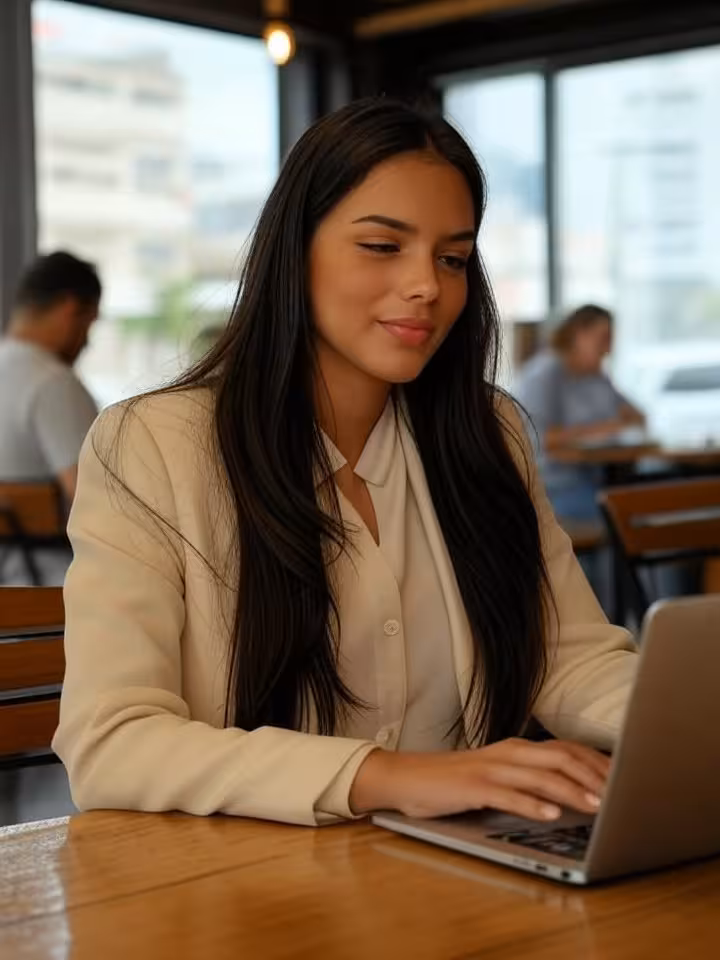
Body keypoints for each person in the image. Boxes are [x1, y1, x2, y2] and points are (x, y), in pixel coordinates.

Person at [54, 100, 637, 828]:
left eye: (453, 258)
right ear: (294, 251)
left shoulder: (488, 435)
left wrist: (681, 720)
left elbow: (570, 659)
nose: (428, 285)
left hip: (461, 865)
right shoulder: (152, 445)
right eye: (383, 246)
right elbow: (111, 741)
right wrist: (390, 777)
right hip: (247, 880)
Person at [0, 251, 100, 584]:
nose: (87, 342)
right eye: (90, 324)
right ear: (70, 310)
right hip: (46, 586)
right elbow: (96, 501)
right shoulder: (53, 383)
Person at [514, 305, 645, 522]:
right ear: (578, 334)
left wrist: (620, 417)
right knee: (626, 519)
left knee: (651, 500)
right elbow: (538, 438)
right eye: (603, 338)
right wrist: (606, 428)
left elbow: (638, 417)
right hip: (552, 486)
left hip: (594, 478)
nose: (609, 349)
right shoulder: (544, 373)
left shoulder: (595, 376)